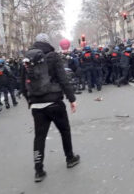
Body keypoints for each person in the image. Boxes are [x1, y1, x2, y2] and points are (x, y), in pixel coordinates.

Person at [21, 33, 80, 183]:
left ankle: (38, 170)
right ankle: (70, 158)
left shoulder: (27, 58)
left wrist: (30, 100)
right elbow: (63, 79)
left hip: (36, 105)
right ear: (48, 43)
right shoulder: (53, 56)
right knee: (64, 131)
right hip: (54, 102)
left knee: (39, 137)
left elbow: (22, 83)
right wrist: (72, 99)